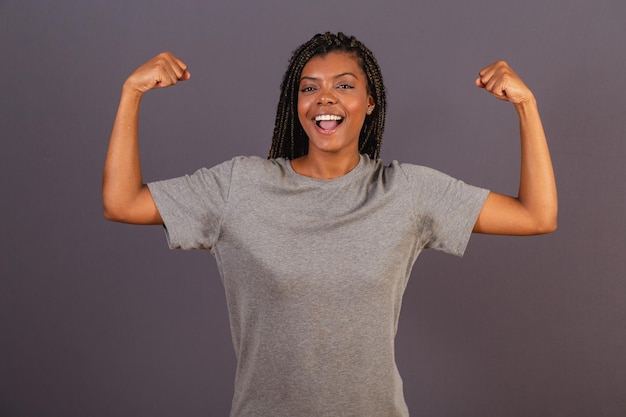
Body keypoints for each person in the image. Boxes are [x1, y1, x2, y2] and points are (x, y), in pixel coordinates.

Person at [102, 32, 557, 417]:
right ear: (295, 103)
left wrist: (526, 105)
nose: (325, 98)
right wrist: (131, 93)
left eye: (344, 85)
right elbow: (122, 203)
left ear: (369, 103)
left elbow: (537, 216)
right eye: (309, 88)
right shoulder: (240, 187)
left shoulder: (405, 192)